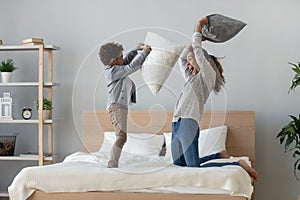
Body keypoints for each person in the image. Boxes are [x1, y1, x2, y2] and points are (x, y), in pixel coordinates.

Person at [171, 17, 258, 181]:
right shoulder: (191, 78)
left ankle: (238, 165)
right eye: (189, 63)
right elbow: (184, 57)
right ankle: (219, 154)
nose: (189, 65)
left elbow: (197, 53)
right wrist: (196, 38)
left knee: (192, 170)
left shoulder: (207, 76)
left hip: (188, 123)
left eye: (192, 62)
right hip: (176, 123)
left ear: (203, 61)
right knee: (179, 166)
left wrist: (198, 28)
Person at [99, 42, 152, 168]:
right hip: (116, 106)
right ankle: (112, 164)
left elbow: (126, 62)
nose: (123, 58)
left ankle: (113, 163)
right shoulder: (113, 72)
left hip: (119, 106)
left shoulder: (116, 66)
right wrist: (145, 53)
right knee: (121, 136)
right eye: (121, 57)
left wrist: (135, 50)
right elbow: (131, 66)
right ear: (113, 61)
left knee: (121, 136)